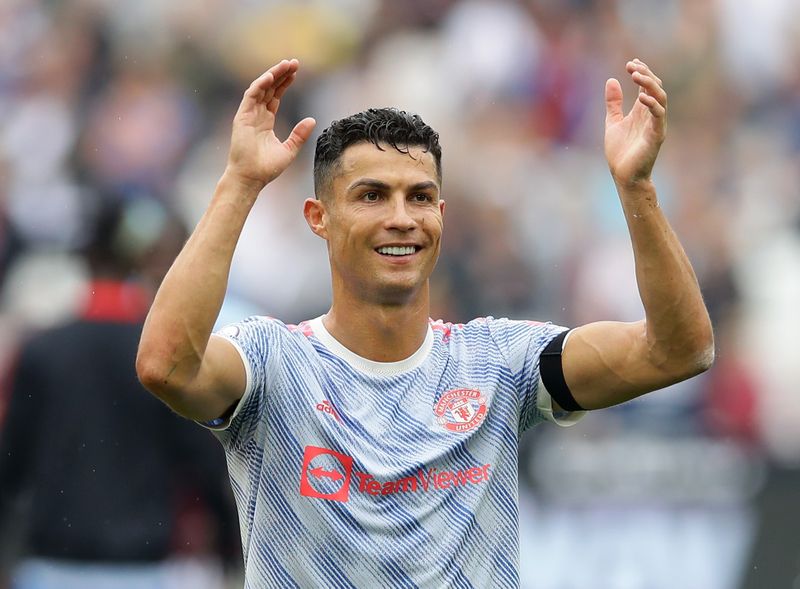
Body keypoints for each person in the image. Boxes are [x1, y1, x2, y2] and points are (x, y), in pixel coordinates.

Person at [136, 58, 714, 587]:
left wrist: (636, 190)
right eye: (370, 196)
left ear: (440, 214)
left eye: (419, 197)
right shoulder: (271, 363)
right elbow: (165, 366)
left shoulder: (499, 363)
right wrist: (241, 183)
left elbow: (679, 351)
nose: (400, 218)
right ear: (319, 217)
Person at [0, 197, 238, 589]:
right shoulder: (163, 358)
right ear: (139, 261)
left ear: (85, 259)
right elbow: (203, 464)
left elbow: (10, 467)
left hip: (51, 567)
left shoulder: (42, 351)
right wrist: (229, 552)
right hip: (144, 570)